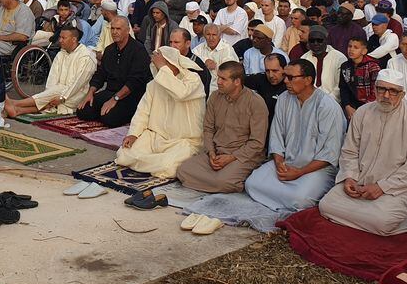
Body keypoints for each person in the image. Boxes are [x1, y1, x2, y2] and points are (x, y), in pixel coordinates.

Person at [319, 68, 407, 236]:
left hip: (395, 190)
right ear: (375, 89)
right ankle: (364, 217)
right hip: (360, 184)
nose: (386, 95)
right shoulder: (362, 113)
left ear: (402, 94)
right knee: (326, 205)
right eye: (382, 89)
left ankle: (371, 217)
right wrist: (350, 176)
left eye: (393, 91)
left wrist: (382, 187)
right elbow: (350, 151)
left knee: (383, 221)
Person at [244, 58, 346, 213]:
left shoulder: (327, 106)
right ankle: (283, 200)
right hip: (287, 162)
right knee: (251, 183)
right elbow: (277, 136)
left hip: (316, 169)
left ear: (308, 80)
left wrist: (300, 172)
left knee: (300, 199)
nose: (285, 81)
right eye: (285, 76)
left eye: (291, 78)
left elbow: (330, 153)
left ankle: (281, 199)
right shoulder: (284, 99)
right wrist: (279, 163)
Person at [176, 61, 268, 193]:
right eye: (218, 77)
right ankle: (218, 181)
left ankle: (223, 181)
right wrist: (212, 153)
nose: (218, 82)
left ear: (237, 81)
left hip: (242, 156)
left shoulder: (255, 102)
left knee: (224, 182)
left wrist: (231, 157)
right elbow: (208, 129)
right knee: (183, 171)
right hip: (217, 153)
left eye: (223, 79)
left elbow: (257, 143)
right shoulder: (214, 97)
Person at [115, 45, 206, 178]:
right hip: (156, 137)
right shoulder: (154, 85)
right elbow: (142, 112)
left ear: (174, 63)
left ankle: (151, 163)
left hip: (184, 141)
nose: (159, 68)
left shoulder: (193, 79)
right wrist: (134, 134)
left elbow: (180, 93)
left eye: (163, 64)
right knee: (124, 154)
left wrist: (163, 67)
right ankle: (153, 164)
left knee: (169, 166)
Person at [2, 25, 96, 119]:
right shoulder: (61, 53)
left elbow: (78, 83)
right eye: (60, 37)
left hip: (77, 94)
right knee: (52, 96)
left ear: (74, 39)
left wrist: (62, 98)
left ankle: (15, 103)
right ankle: (18, 110)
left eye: (64, 38)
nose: (60, 40)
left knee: (55, 93)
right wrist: (49, 93)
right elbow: (53, 77)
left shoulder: (86, 56)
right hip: (57, 92)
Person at [76, 16, 151, 128]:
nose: (114, 32)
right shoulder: (110, 50)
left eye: (118, 29)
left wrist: (115, 98)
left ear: (127, 30)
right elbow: (100, 74)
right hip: (110, 92)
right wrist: (90, 93)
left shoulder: (138, 50)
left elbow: (135, 81)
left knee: (109, 118)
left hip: (130, 95)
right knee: (82, 111)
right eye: (112, 29)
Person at [339, 37, 382, 119]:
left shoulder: (373, 66)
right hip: (351, 106)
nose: (351, 50)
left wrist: (363, 110)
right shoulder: (345, 66)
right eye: (349, 46)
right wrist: (347, 106)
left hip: (370, 107)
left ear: (364, 51)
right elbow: (343, 88)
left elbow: (376, 91)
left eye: (356, 47)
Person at [301, 25, 345, 103]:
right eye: (312, 41)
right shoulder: (304, 59)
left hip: (334, 103)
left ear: (326, 40)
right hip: (309, 102)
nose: (316, 43)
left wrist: (327, 102)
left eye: (319, 40)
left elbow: (339, 87)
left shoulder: (339, 58)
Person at [244, 53, 288, 122]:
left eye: (275, 71)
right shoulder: (260, 79)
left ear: (284, 69)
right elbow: (237, 80)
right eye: (267, 71)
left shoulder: (290, 85)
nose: (271, 75)